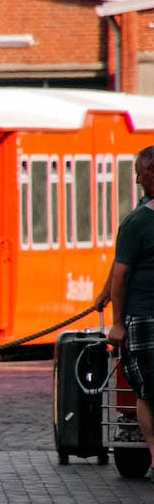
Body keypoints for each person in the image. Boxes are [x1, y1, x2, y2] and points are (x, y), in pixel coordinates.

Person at [104, 145, 154, 475]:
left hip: (143, 318)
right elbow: (119, 273)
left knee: (148, 394)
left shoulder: (136, 221)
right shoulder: (137, 220)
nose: (136, 178)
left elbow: (121, 272)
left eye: (139, 171)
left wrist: (117, 323)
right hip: (145, 316)